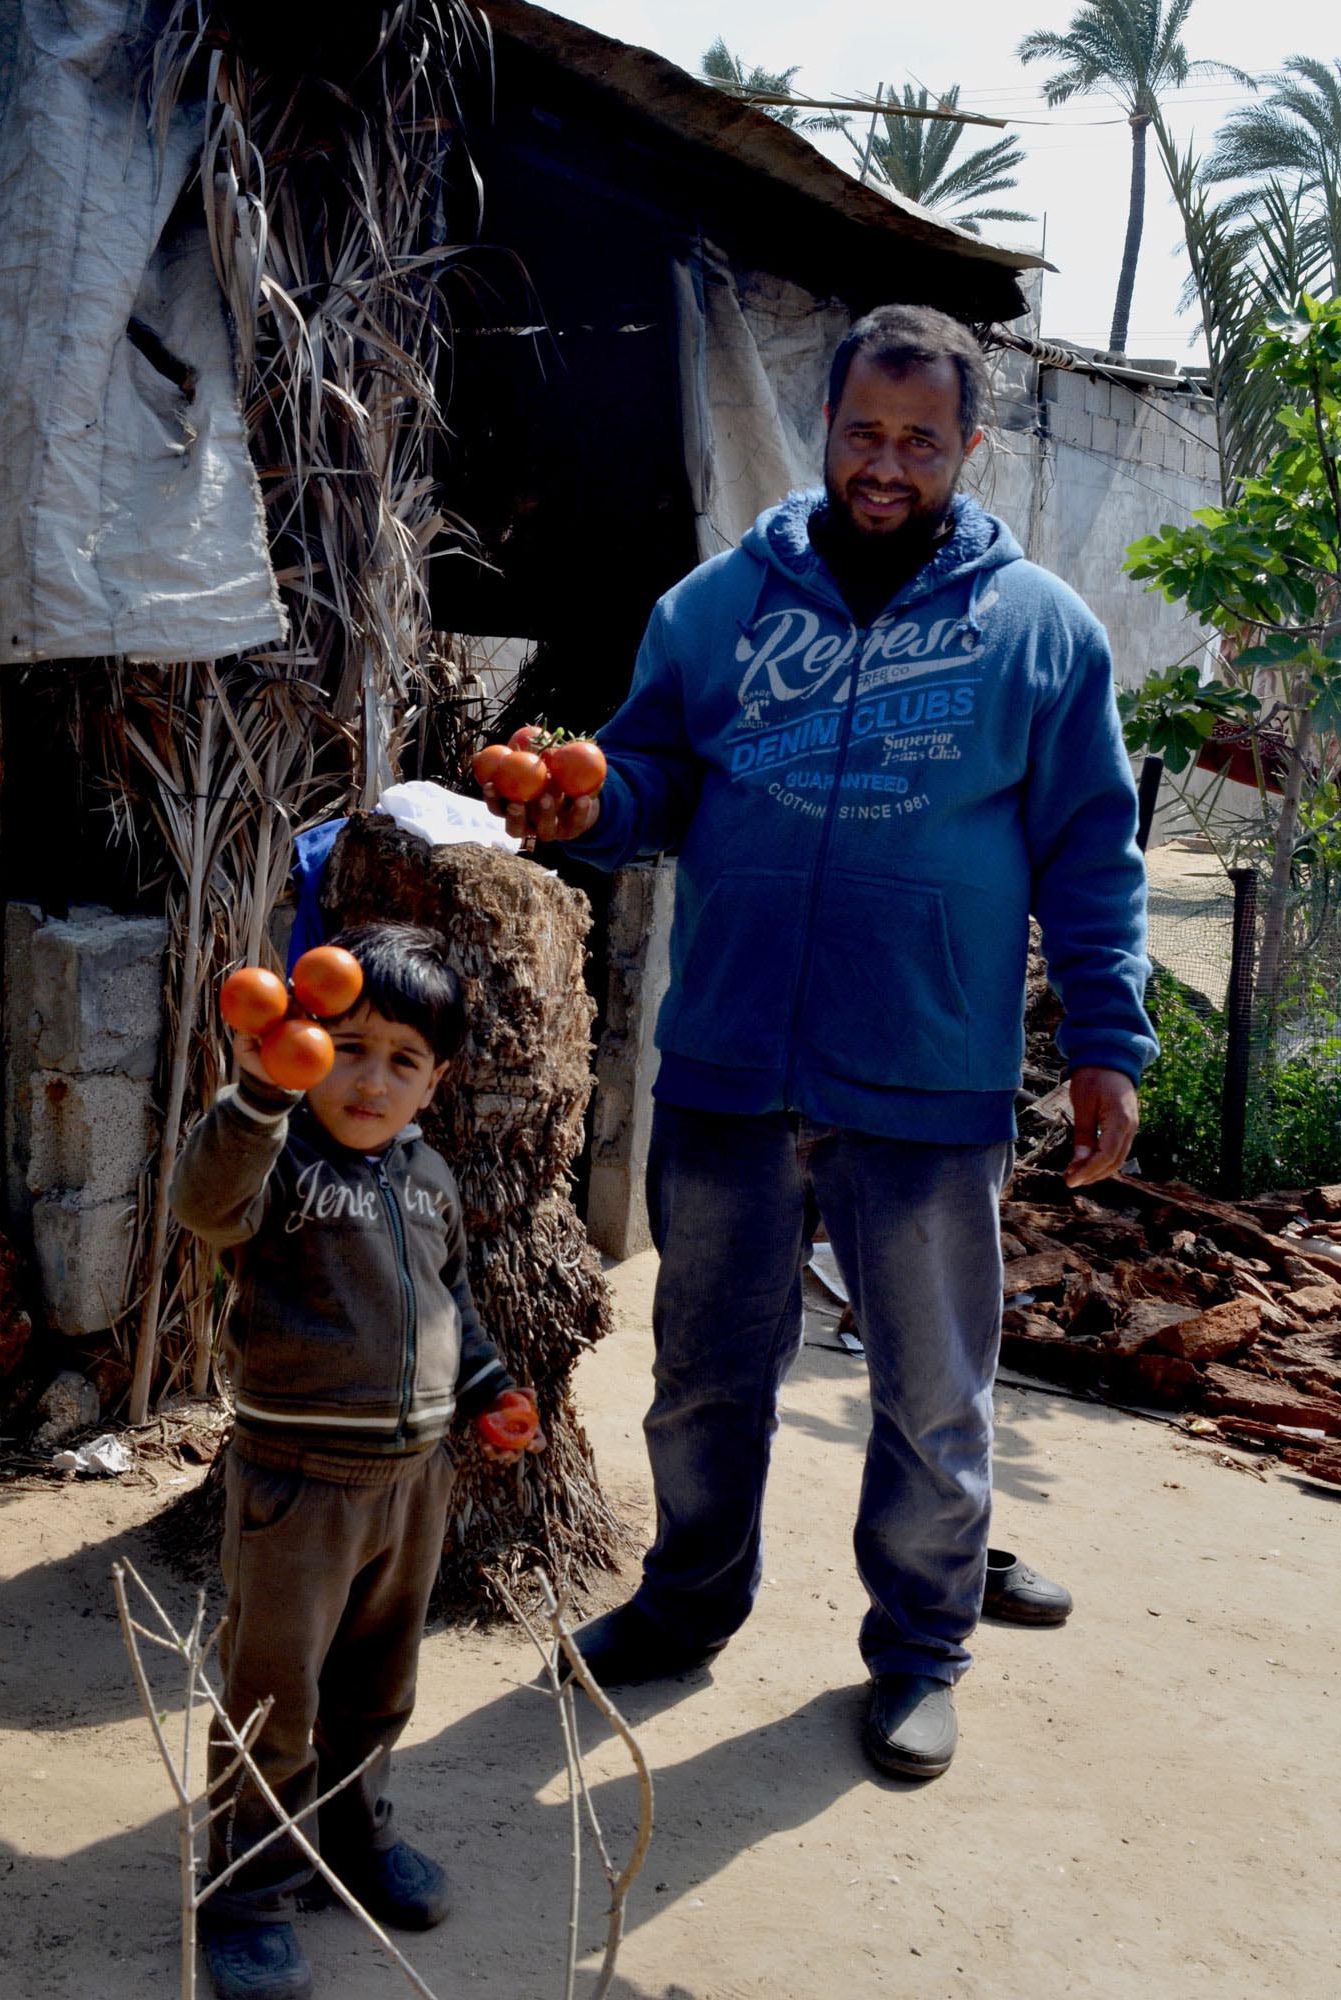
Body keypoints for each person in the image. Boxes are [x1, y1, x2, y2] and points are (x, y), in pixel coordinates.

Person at [484, 304, 1154, 1782]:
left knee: (932, 1393)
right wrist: (594, 802)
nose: (888, 464)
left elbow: (1093, 855)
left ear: (969, 448)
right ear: (825, 428)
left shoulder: (1039, 630)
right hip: (729, 1057)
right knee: (707, 1373)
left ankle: (919, 1648)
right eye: (865, 432)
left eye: (922, 440)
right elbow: (653, 771)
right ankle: (688, 1600)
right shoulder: (716, 608)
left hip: (927, 1072)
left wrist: (1108, 1040)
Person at [172, 922, 543, 2000]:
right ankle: (247, 1884)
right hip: (298, 1484)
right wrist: (256, 1099)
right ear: (300, 1043)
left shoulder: (427, 1175)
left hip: (412, 1482)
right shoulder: (276, 1157)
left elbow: (450, 1299)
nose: (371, 1080)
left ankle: (349, 1832)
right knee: (272, 1692)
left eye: (404, 1058)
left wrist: (489, 1387)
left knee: (379, 1681)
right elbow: (204, 1206)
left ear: (439, 1078)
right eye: (346, 1045)